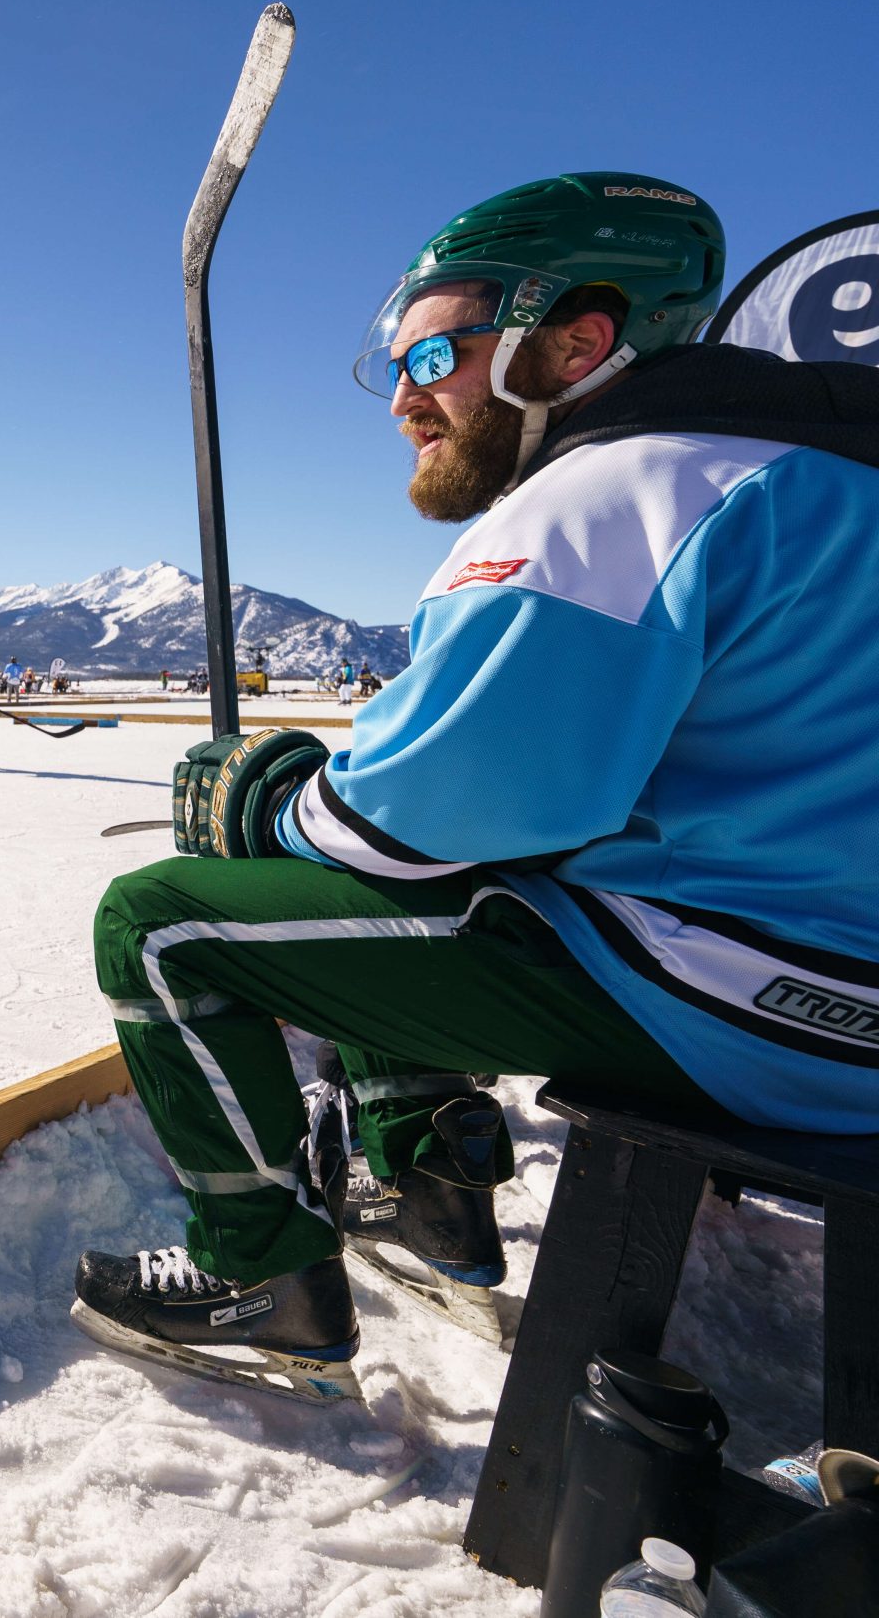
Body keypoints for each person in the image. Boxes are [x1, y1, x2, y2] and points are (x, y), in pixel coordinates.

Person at [71, 173, 879, 1404]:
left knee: (167, 920)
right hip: (835, 978)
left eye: (435, 352)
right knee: (439, 873)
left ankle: (265, 1275)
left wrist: (268, 798)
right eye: (393, 365)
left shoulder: (627, 493)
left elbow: (410, 821)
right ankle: (431, 1196)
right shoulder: (825, 473)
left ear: (577, 342)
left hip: (757, 1010)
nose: (403, 399)